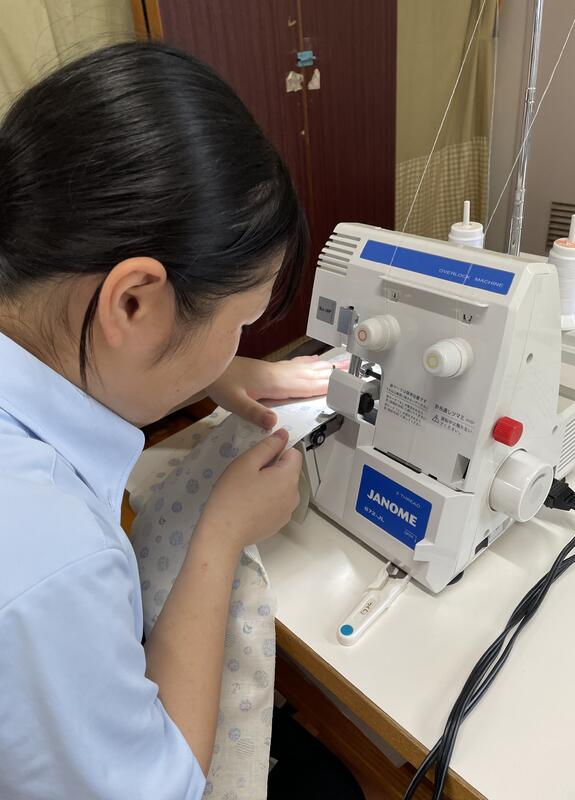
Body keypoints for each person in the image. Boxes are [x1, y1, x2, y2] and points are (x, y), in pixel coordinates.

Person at [0, 41, 363, 799]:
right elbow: (163, 787)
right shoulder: (50, 562)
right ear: (134, 302)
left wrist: (215, 368)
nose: (241, 343)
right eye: (240, 323)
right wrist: (223, 533)